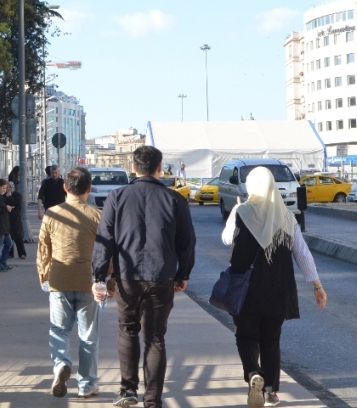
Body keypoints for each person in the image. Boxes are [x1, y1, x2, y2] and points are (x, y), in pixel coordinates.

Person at [91, 145, 196, 408]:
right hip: (161, 276)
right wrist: (183, 274)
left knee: (127, 330)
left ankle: (127, 390)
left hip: (128, 277)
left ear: (134, 168)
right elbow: (187, 243)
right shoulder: (175, 200)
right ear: (160, 168)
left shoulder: (116, 197)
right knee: (155, 338)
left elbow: (105, 242)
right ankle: (153, 400)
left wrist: (99, 278)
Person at [221, 167, 327, 408]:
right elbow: (302, 253)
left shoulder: (242, 211)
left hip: (245, 289)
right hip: (279, 290)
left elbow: (227, 239)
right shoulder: (287, 217)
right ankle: (270, 393)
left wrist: (236, 212)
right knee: (271, 339)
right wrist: (317, 285)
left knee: (246, 335)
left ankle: (252, 374)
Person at [38, 167, 114, 399]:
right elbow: (108, 250)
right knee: (88, 335)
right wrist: (108, 281)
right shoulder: (97, 215)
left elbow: (44, 249)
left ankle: (61, 364)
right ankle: (87, 385)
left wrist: (44, 276)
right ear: (89, 189)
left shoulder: (52, 214)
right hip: (89, 281)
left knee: (59, 329)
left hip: (59, 279)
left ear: (65, 187)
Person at [5, 184, 26, 259]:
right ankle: (10, 253)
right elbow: (4, 204)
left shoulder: (17, 195)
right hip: (7, 218)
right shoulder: (4, 195)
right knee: (9, 236)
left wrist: (10, 197)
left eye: (9, 187)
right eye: (6, 187)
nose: (8, 189)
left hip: (16, 218)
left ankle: (22, 253)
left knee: (18, 237)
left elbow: (16, 204)